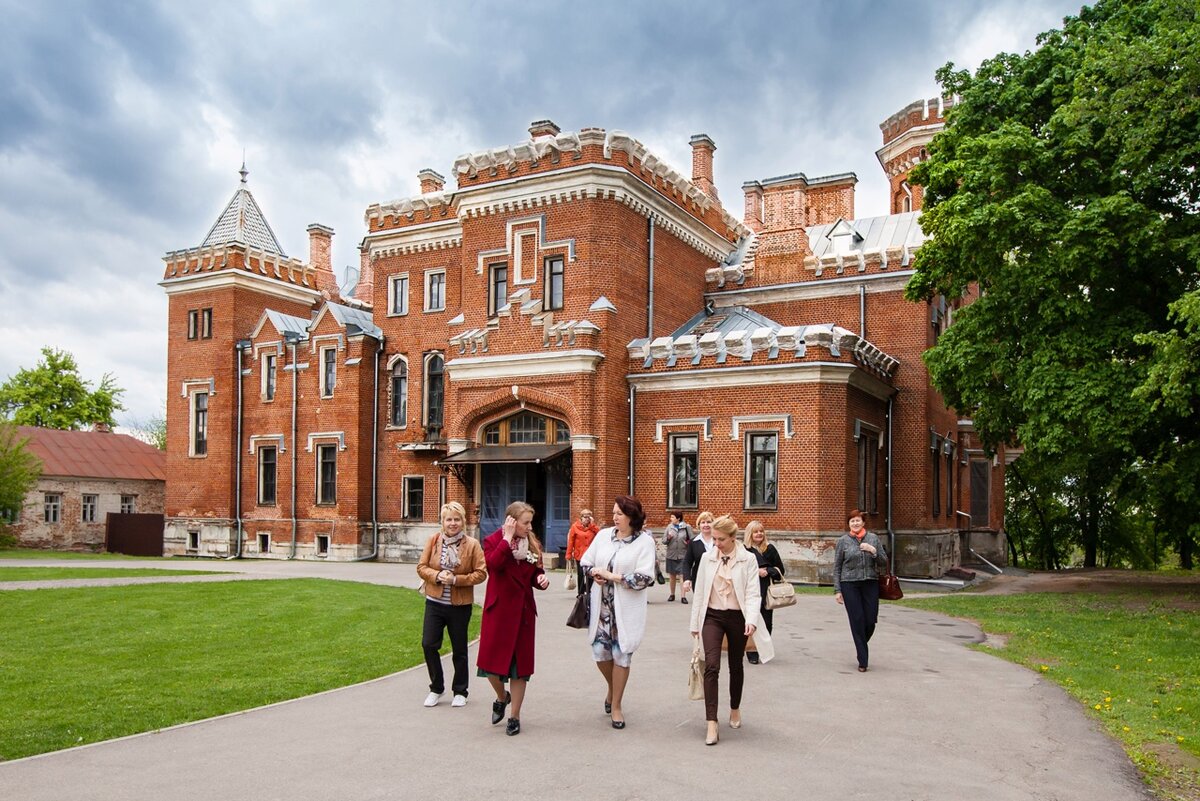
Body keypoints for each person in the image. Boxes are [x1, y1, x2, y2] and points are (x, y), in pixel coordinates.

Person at [689, 515, 772, 745]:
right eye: (714, 539)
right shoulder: (707, 558)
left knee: (736, 665)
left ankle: (735, 708)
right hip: (712, 617)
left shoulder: (748, 559)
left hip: (738, 617)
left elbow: (753, 592)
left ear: (733, 537)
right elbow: (700, 592)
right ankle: (711, 722)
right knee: (711, 665)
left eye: (721, 539)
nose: (716, 544)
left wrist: (751, 619)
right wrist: (694, 624)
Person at [578, 495, 656, 729]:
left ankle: (617, 706)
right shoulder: (603, 536)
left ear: (632, 517)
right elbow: (585, 561)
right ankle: (613, 688)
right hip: (602, 608)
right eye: (613, 513)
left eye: (619, 514)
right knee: (600, 653)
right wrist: (595, 574)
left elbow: (645, 578)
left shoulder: (644, 542)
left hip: (626, 609)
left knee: (622, 655)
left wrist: (614, 577)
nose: (614, 517)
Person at [476, 501, 550, 735]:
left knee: (520, 670)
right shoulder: (493, 541)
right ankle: (502, 696)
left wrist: (540, 580)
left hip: (523, 614)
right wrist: (507, 539)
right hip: (498, 612)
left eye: (530, 522)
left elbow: (536, 573)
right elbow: (493, 565)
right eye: (526, 523)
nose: (530, 527)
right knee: (489, 666)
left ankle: (515, 716)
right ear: (512, 521)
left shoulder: (532, 544)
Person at [416, 501, 488, 708]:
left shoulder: (472, 544)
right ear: (443, 521)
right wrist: (437, 575)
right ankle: (436, 687)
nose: (453, 523)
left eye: (457, 519)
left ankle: (460, 691)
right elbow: (421, 567)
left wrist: (456, 580)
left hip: (460, 605)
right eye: (449, 519)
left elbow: (481, 573)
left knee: (459, 649)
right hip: (435, 602)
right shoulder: (433, 541)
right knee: (429, 644)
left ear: (463, 521)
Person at [833, 509, 889, 673]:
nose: (855, 523)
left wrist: (873, 551)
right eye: (852, 521)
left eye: (858, 520)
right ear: (849, 524)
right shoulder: (843, 541)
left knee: (870, 620)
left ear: (863, 522)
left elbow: (884, 561)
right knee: (857, 619)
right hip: (849, 584)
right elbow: (837, 567)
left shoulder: (873, 538)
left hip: (870, 583)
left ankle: (861, 643)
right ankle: (863, 660)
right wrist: (837, 590)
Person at [743, 520, 785, 665]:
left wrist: (767, 570)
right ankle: (751, 651)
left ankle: (763, 648)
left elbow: (780, 571)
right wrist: (756, 571)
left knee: (767, 622)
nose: (759, 534)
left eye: (761, 531)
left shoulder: (769, 549)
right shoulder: (744, 550)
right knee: (751, 621)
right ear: (750, 534)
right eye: (755, 531)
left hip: (766, 591)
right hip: (749, 590)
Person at [680, 511, 715, 605]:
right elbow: (687, 562)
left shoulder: (719, 540)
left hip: (717, 579)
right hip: (700, 579)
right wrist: (687, 579)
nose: (706, 525)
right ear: (699, 525)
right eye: (703, 522)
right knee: (702, 605)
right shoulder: (694, 542)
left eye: (709, 522)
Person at [662, 512, 693, 602]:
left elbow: (692, 540)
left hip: (683, 555)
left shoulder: (687, 527)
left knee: (682, 575)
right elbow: (664, 541)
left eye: (673, 517)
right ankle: (672, 594)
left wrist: (688, 543)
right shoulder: (669, 527)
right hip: (671, 555)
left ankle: (683, 597)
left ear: (678, 518)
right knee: (672, 576)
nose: (671, 519)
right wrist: (668, 538)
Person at [566, 508, 599, 591]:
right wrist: (568, 554)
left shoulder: (593, 527)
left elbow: (599, 534)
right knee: (581, 574)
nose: (587, 519)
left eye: (589, 517)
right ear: (581, 518)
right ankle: (580, 593)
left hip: (590, 555)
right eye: (585, 517)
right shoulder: (575, 527)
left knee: (591, 574)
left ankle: (589, 591)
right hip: (579, 554)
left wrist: (592, 525)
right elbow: (571, 541)